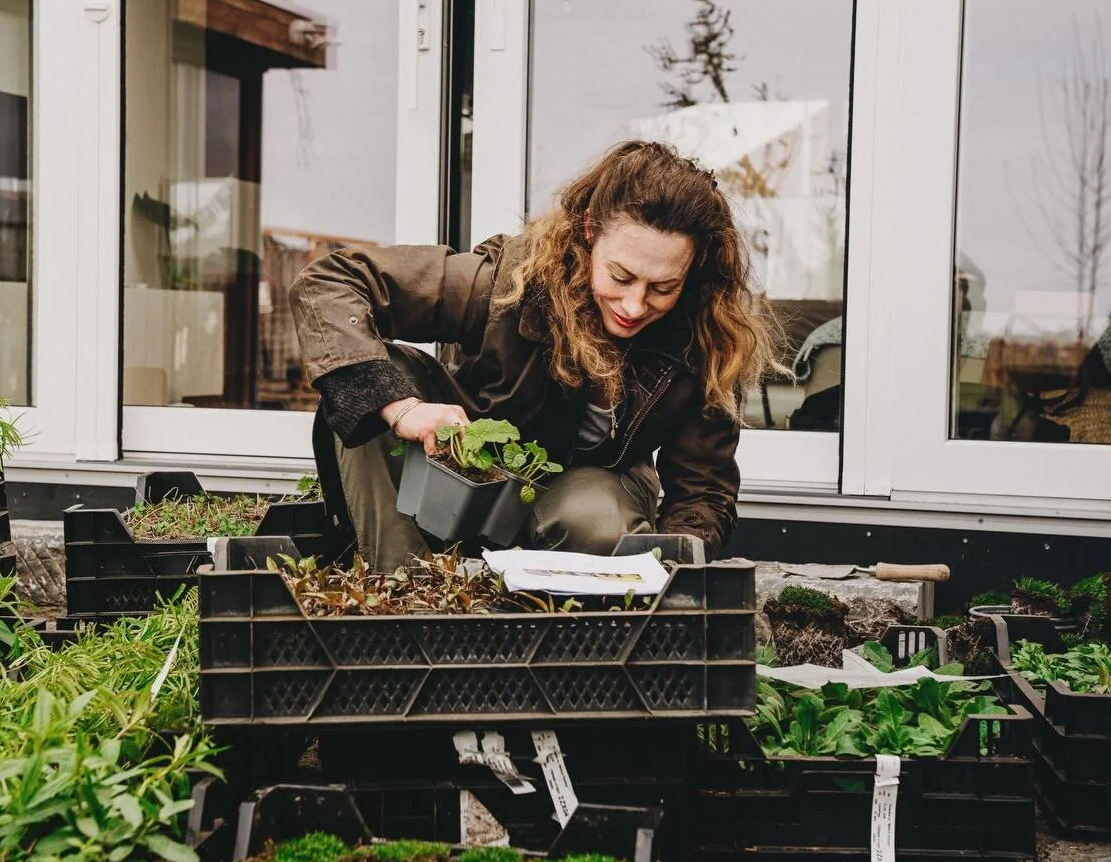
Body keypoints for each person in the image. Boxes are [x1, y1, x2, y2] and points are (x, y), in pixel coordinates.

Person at [291, 140, 783, 571]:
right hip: (463, 472)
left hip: (585, 496)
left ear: (693, 271)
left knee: (595, 518)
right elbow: (330, 283)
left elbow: (702, 490)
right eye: (620, 276)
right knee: (378, 380)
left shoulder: (707, 337)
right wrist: (405, 410)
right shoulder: (509, 281)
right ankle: (409, 605)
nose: (635, 305)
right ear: (589, 231)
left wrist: (681, 568)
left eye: (662, 287)